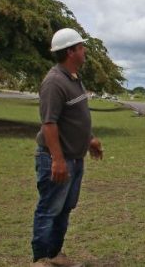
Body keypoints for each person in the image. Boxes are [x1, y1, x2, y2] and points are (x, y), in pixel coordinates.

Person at [31, 28, 104, 267]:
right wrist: (57, 159)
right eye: (81, 47)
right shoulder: (54, 81)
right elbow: (49, 124)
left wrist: (89, 139)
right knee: (50, 208)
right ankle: (41, 258)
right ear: (70, 51)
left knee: (64, 208)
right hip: (58, 158)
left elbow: (74, 118)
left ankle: (55, 254)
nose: (84, 51)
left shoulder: (72, 78)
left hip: (75, 157)